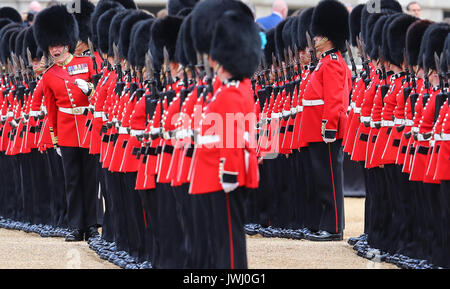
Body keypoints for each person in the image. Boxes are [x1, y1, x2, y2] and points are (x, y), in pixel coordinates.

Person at [33, 4, 99, 242]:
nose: (56, 49)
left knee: (90, 179)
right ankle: (75, 226)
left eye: (59, 45)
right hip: (67, 130)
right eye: (52, 46)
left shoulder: (88, 64)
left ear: (68, 42)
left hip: (87, 127)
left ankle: (91, 225)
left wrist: (90, 89)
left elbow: (100, 96)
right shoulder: (49, 75)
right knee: (71, 180)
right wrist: (56, 138)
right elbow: (51, 110)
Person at [299, 0, 352, 241]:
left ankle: (333, 228)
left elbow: (334, 99)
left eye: (319, 34)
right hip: (314, 129)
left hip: (324, 130)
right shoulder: (323, 62)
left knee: (329, 178)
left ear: (329, 37)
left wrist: (329, 127)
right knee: (320, 179)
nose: (315, 38)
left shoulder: (333, 64)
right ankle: (323, 222)